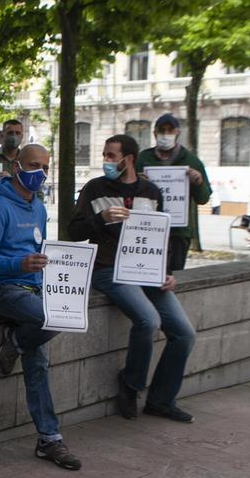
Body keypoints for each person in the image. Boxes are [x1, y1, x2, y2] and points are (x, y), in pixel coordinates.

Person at [69, 134, 198, 424]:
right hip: (108, 270)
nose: (106, 161)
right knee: (149, 321)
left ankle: (162, 400)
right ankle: (131, 383)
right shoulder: (95, 188)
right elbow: (73, 231)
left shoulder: (151, 192)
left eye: (111, 156)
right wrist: (101, 219)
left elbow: (161, 236)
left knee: (185, 333)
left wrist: (167, 273)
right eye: (104, 155)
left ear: (128, 159)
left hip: (147, 273)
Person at [0, 143, 82, 471]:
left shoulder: (38, 208)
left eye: (46, 167)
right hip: (3, 289)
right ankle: (17, 342)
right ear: (17, 166)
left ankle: (49, 438)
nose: (41, 173)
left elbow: (43, 249)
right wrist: (21, 264)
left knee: (39, 364)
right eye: (35, 165)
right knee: (54, 319)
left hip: (33, 289)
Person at [137, 113, 212, 271]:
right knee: (146, 272)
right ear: (154, 133)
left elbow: (204, 198)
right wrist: (136, 181)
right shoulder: (143, 159)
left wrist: (198, 182)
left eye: (170, 130)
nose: (165, 134)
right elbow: (126, 190)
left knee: (174, 276)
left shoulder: (191, 161)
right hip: (147, 228)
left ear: (178, 132)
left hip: (178, 232)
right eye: (161, 130)